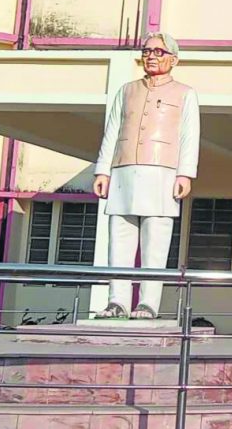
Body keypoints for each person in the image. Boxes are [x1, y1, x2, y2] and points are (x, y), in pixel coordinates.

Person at [93, 33, 200, 320]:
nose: (151, 56)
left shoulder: (185, 93)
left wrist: (185, 173)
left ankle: (148, 303)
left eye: (158, 51)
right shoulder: (127, 90)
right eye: (147, 51)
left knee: (155, 242)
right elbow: (112, 131)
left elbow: (190, 136)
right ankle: (117, 301)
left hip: (162, 173)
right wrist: (102, 169)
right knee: (119, 241)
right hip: (123, 171)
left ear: (173, 59)